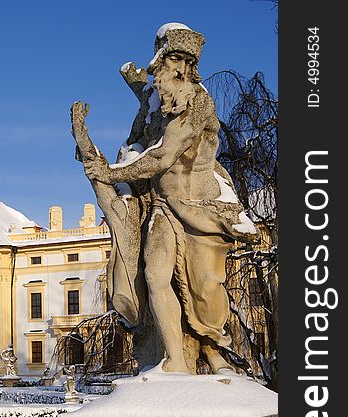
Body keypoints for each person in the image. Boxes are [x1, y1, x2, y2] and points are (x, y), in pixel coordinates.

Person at [71, 23, 258, 374]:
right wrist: (92, 151)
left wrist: (111, 175)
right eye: (166, 62)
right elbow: (136, 147)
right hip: (161, 205)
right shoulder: (153, 105)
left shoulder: (198, 102)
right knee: (155, 276)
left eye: (179, 62)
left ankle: (213, 351)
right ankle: (174, 360)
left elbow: (163, 155)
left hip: (199, 208)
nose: (170, 71)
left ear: (189, 68)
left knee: (205, 289)